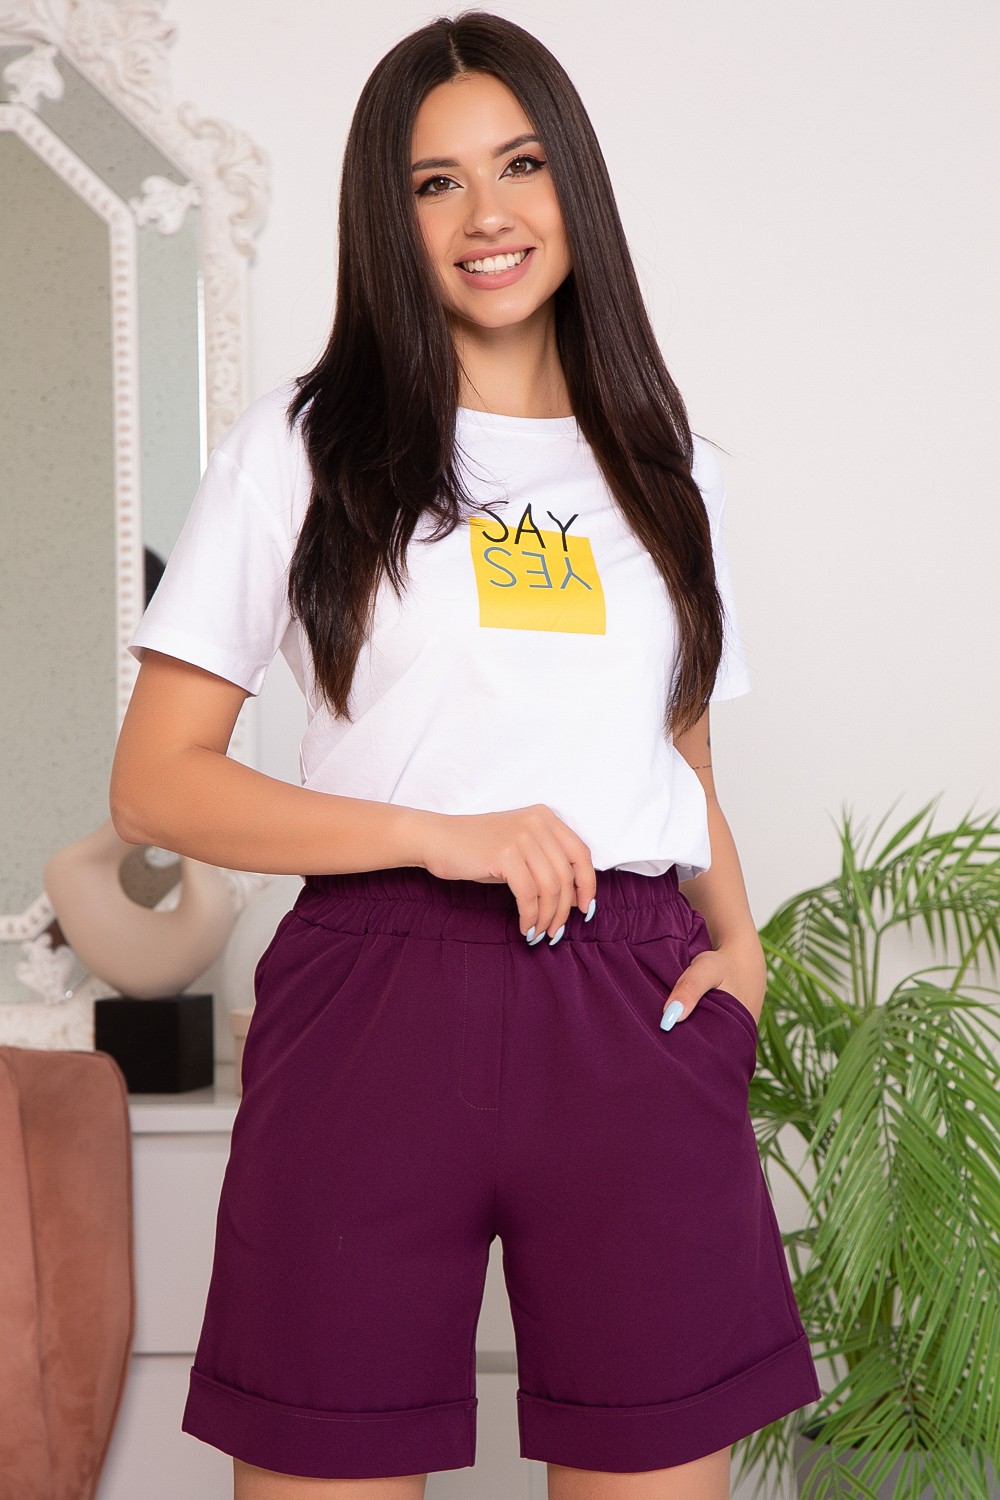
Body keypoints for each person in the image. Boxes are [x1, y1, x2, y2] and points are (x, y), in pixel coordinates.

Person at [110, 10, 821, 1499]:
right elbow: (157, 780)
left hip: (633, 1000)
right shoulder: (302, 450)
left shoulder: (667, 466)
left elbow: (679, 744)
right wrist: (442, 834)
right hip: (376, 998)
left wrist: (740, 949)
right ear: (392, 217)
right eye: (436, 183)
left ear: (576, 186)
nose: (488, 214)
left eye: (522, 164)